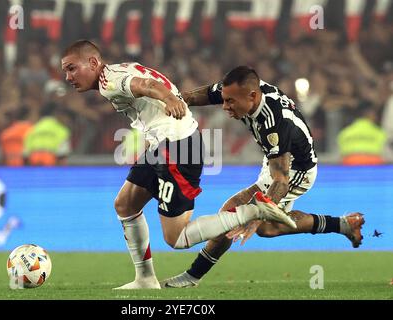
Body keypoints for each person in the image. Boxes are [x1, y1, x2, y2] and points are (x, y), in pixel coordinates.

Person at [61, 41, 297, 290]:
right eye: (66, 71)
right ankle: (145, 279)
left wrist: (168, 98)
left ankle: (253, 211)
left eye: (72, 68)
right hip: (165, 145)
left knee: (177, 237)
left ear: (93, 63)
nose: (68, 77)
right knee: (125, 204)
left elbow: (147, 85)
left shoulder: (109, 82)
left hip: (177, 146)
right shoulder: (118, 70)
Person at [161, 66, 365, 288]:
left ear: (252, 96)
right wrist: (171, 100)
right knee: (268, 230)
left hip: (297, 171)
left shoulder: (274, 123)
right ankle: (344, 224)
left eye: (231, 102)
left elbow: (281, 182)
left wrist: (257, 214)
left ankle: (192, 276)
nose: (225, 106)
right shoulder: (242, 92)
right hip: (274, 162)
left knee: (232, 213)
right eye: (224, 99)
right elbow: (194, 96)